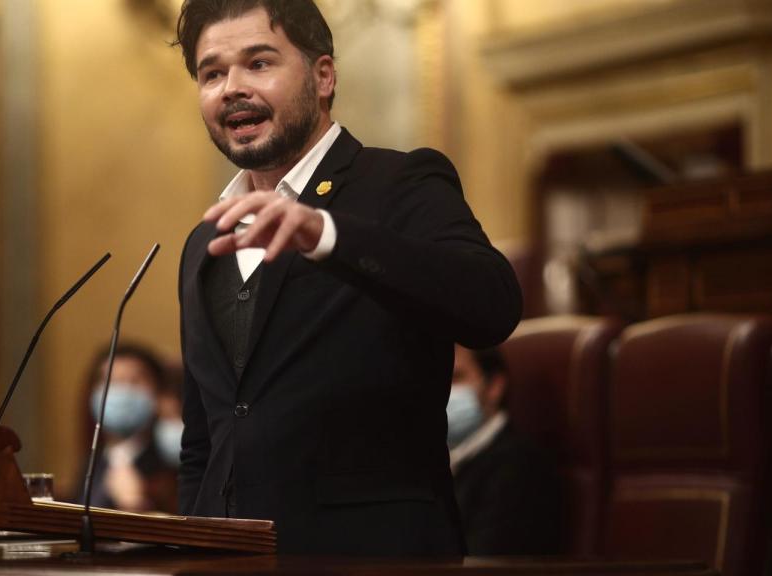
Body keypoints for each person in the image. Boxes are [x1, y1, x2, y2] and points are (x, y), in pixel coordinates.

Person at [173, 0, 522, 555]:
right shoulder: (204, 242)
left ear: (324, 76)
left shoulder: (402, 181)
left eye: (258, 63)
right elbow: (204, 443)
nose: (231, 88)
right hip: (229, 561)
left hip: (372, 555)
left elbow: (493, 303)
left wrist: (326, 235)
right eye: (212, 73)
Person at [447, 346, 561, 555]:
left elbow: (484, 562)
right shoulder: (437, 463)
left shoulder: (520, 467)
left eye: (455, 377)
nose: (443, 392)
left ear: (494, 387)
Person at [80, 343, 179, 514]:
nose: (121, 391)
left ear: (159, 393)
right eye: (110, 381)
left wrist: (136, 506)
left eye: (134, 381)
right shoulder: (92, 460)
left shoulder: (173, 463)